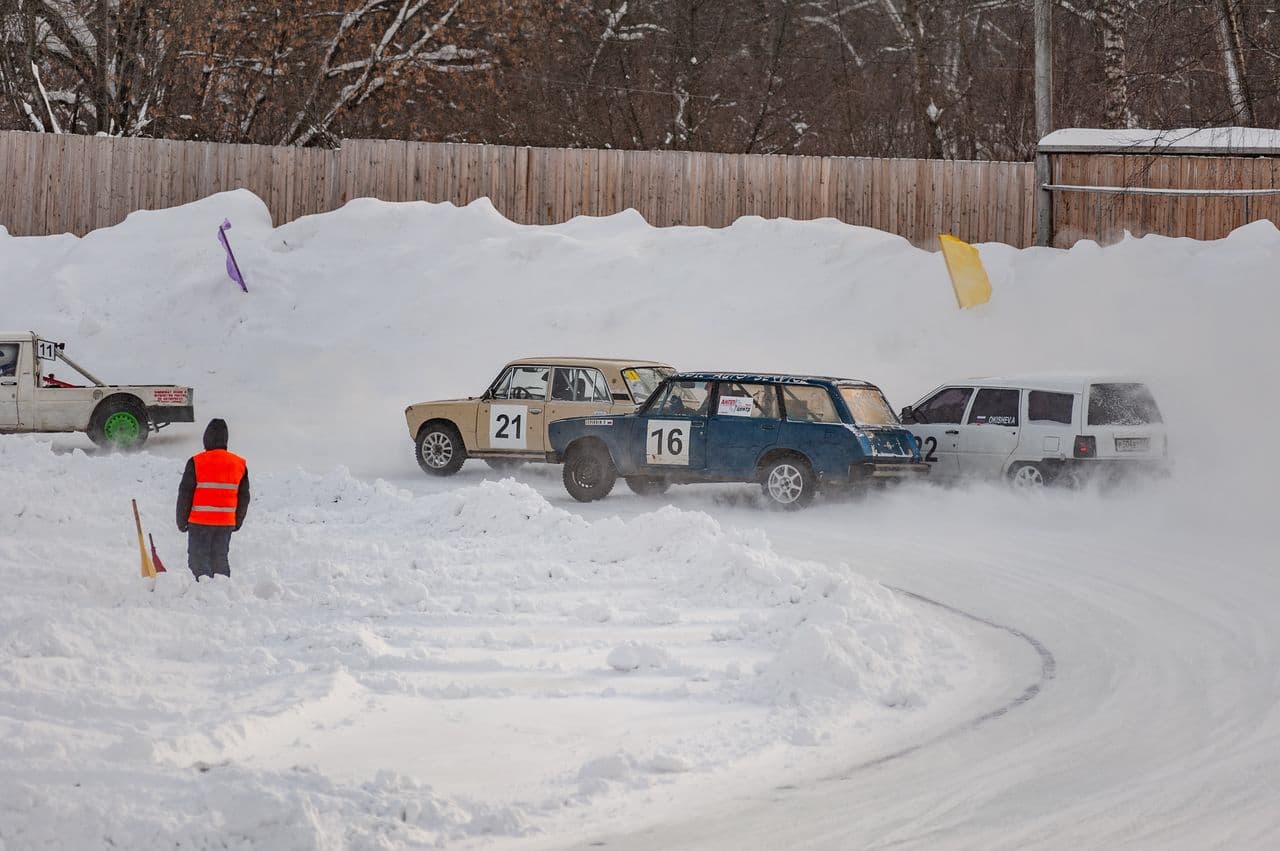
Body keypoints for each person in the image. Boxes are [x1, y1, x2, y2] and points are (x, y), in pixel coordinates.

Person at [176, 419, 250, 579]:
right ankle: (222, 594)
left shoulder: (196, 462)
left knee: (199, 562)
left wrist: (181, 521)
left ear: (206, 438)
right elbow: (244, 497)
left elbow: (185, 494)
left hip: (199, 522)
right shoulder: (239, 464)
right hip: (225, 524)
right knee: (220, 559)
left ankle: (202, 596)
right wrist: (237, 521)